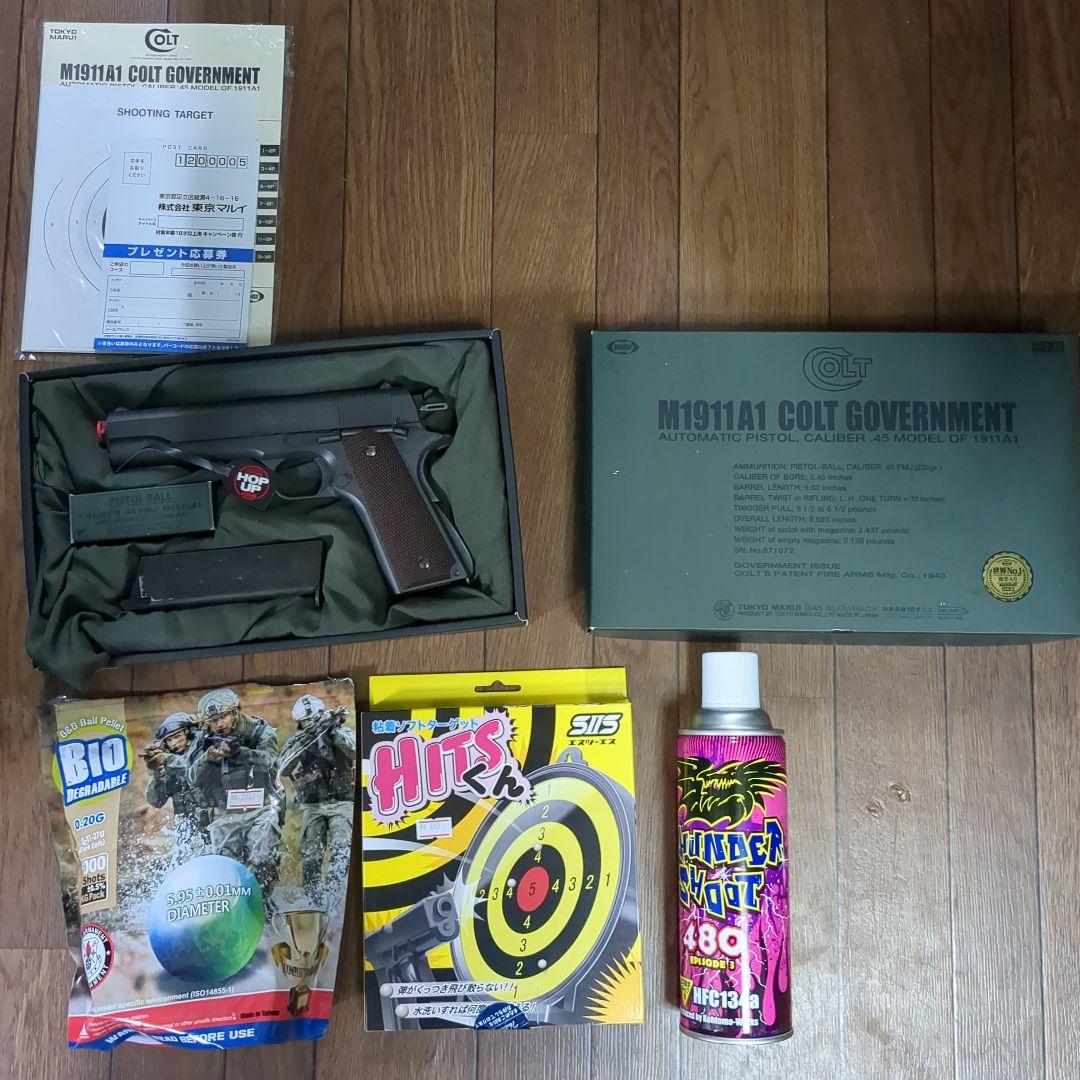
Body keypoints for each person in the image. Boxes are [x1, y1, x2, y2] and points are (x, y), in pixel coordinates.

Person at [187, 687, 284, 899]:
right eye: (214, 721)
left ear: (234, 712)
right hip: (224, 813)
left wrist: (240, 753)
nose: (220, 724)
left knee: (263, 859)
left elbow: (269, 761)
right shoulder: (202, 740)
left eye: (223, 717)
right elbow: (191, 778)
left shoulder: (259, 730)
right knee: (226, 871)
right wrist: (206, 759)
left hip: (260, 808)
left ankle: (265, 904)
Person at [278, 694, 355, 904]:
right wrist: (307, 738)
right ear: (300, 723)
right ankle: (312, 897)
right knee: (311, 851)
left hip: (342, 801)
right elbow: (284, 768)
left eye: (314, 718)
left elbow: (354, 748)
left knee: (341, 847)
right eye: (306, 721)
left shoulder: (339, 731)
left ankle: (337, 894)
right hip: (313, 805)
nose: (311, 722)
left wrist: (332, 730)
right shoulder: (297, 741)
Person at [144, 712, 211, 846]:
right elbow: (156, 801)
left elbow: (196, 770)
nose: (173, 743)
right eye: (169, 740)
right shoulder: (167, 762)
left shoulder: (205, 747)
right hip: (188, 830)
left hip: (214, 821)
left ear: (189, 733)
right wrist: (158, 775)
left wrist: (167, 760)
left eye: (177, 737)